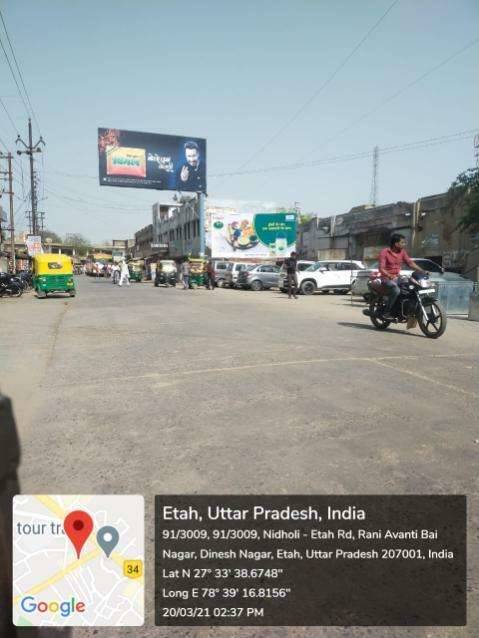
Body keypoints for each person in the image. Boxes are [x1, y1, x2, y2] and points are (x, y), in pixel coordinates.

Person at [379, 233, 427, 319]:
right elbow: (381, 268)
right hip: (386, 278)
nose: (404, 244)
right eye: (403, 242)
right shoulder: (385, 252)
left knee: (412, 287)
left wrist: (422, 270)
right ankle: (387, 311)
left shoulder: (402, 252)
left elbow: (410, 263)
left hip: (398, 277)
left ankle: (406, 308)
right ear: (396, 244)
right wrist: (389, 275)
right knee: (396, 290)